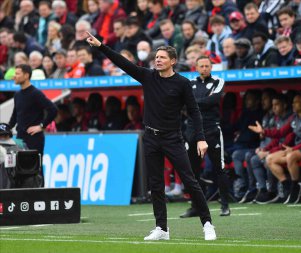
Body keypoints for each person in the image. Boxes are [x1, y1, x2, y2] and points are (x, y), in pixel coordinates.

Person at [86, 31, 216, 241]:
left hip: (173, 138)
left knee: (190, 181)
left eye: (162, 57)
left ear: (173, 61)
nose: (157, 59)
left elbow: (194, 111)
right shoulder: (148, 76)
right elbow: (123, 63)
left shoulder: (182, 83)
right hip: (151, 138)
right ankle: (161, 229)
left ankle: (207, 224)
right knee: (155, 185)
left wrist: (201, 137)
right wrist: (101, 46)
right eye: (156, 57)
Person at [180, 56, 230, 218]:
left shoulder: (218, 81)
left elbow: (214, 100)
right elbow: (183, 102)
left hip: (211, 129)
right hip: (192, 130)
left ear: (211, 67)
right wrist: (197, 102)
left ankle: (225, 205)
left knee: (219, 167)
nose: (204, 69)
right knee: (192, 171)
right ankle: (196, 206)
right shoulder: (190, 83)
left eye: (207, 66)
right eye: (201, 66)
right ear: (196, 67)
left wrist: (193, 102)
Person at [8, 64, 58, 187]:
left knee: (36, 167)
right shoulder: (17, 95)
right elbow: (15, 116)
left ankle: (41, 196)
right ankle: (25, 196)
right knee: (20, 167)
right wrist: (6, 129)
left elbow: (53, 109)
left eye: (18, 73)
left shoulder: (36, 93)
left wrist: (41, 126)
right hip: (20, 138)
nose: (14, 76)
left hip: (34, 138)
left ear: (26, 75)